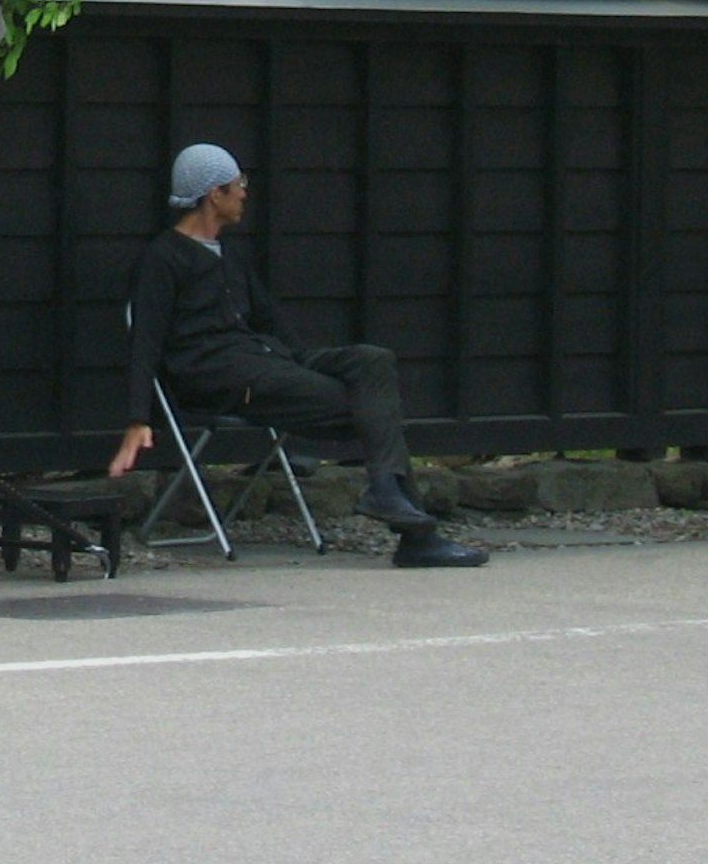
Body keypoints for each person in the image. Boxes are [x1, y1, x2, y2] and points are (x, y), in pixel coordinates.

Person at [109, 143, 488, 568]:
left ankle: (389, 495)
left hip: (269, 362)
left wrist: (302, 360)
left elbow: (271, 319)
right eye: (239, 184)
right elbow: (146, 341)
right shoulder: (163, 257)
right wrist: (137, 418)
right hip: (223, 379)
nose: (245, 193)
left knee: (372, 360)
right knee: (371, 409)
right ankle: (415, 535)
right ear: (214, 194)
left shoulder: (229, 255)